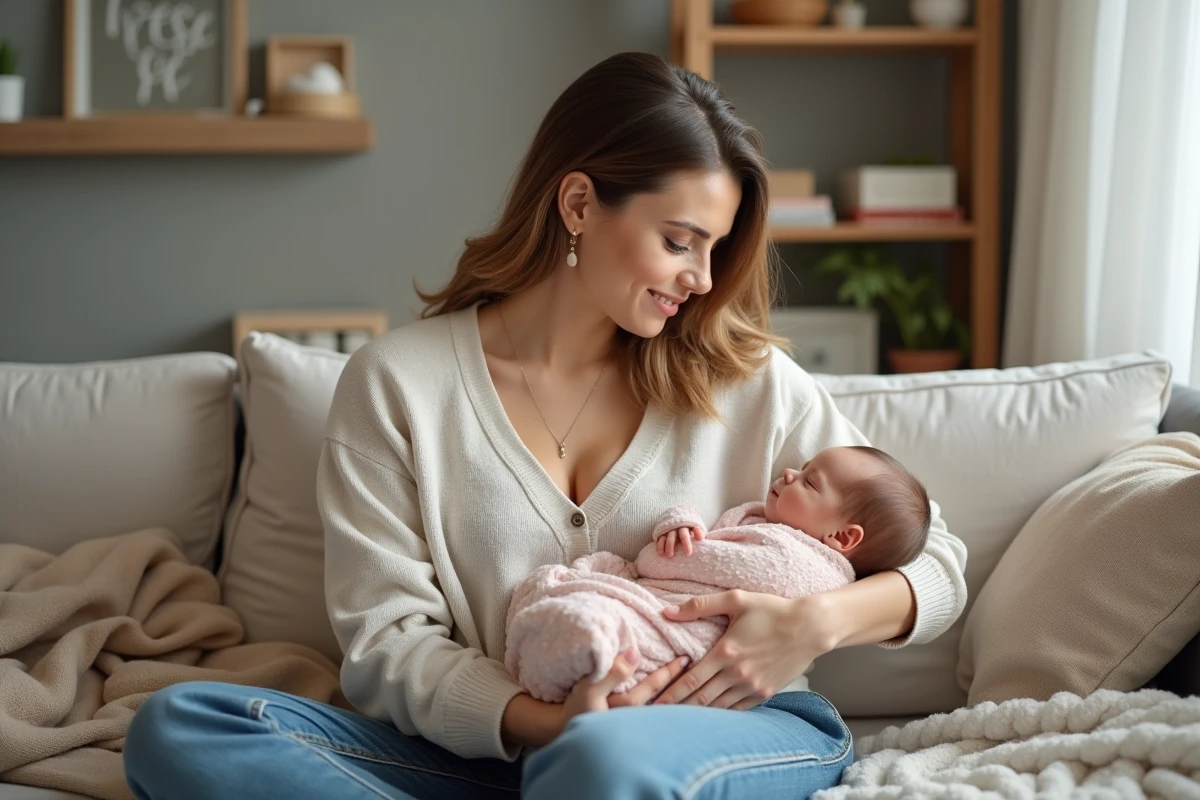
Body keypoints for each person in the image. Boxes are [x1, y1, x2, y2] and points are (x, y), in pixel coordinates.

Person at [122, 51, 967, 800]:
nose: (703, 280)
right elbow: (387, 646)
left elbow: (939, 561)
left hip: (729, 730)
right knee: (183, 727)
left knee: (605, 766)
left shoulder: (745, 379)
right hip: (498, 754)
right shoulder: (399, 387)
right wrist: (546, 722)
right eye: (679, 242)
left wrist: (816, 625)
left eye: (715, 249)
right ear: (578, 204)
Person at [506, 445, 933, 704]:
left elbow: (673, 563)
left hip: (705, 655)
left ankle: (579, 639)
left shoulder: (800, 566)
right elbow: (711, 549)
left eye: (809, 481)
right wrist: (684, 524)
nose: (789, 473)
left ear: (842, 536)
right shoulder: (765, 525)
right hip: (665, 613)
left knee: (611, 627)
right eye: (801, 467)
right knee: (581, 587)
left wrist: (668, 549)